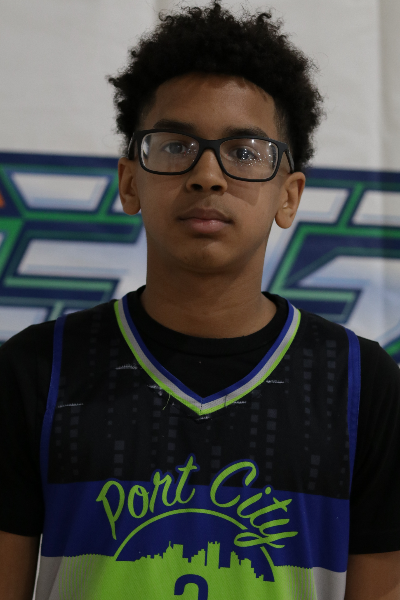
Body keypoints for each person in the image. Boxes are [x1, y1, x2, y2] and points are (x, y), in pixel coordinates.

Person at [1, 3, 400, 599]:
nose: (207, 174)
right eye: (174, 145)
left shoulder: (362, 384)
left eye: (244, 151)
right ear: (130, 182)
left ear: (289, 196)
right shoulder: (38, 370)